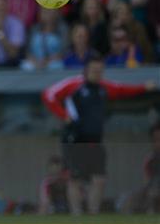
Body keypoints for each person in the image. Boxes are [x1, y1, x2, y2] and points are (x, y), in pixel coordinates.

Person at [42, 53, 156, 215]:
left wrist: (143, 87)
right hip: (75, 139)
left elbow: (122, 90)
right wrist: (64, 116)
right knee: (75, 179)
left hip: (95, 140)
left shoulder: (103, 87)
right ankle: (77, 216)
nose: (97, 74)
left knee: (99, 179)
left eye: (100, 71)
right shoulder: (74, 84)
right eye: (94, 70)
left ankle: (93, 214)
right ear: (86, 70)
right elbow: (49, 94)